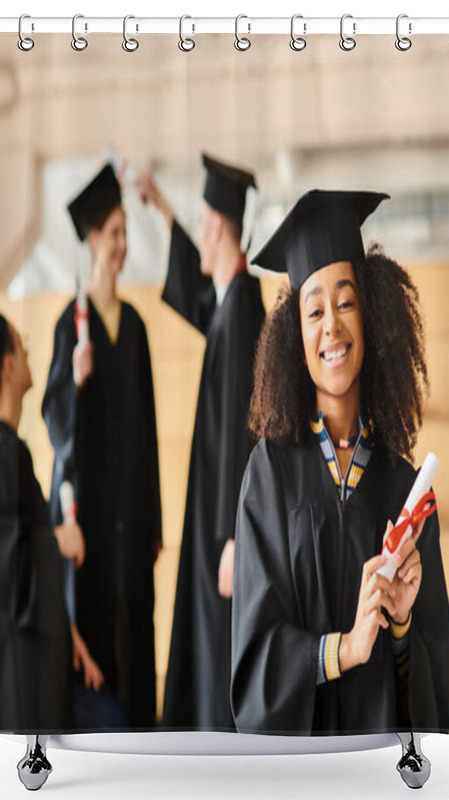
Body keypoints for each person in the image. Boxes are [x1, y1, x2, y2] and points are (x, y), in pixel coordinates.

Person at [231, 190, 449, 735]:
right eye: (314, 311)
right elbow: (254, 668)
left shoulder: (405, 488)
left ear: (371, 315)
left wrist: (399, 624)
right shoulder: (271, 474)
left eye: (346, 302)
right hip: (300, 779)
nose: (331, 326)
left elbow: (432, 701)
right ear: (295, 336)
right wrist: (346, 649)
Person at [136, 154, 266, 730]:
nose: (197, 228)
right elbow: (197, 296)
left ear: (215, 225)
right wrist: (164, 210)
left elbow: (245, 435)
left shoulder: (242, 312)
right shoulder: (229, 304)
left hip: (224, 536)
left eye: (197, 218)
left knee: (216, 666)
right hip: (214, 531)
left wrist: (236, 538)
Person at [42, 164, 162, 729]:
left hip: (133, 518)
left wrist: (155, 521)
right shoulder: (73, 324)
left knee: (138, 629)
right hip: (91, 520)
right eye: (113, 233)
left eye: (123, 233)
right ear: (92, 239)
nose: (121, 244)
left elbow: (150, 429)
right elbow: (54, 425)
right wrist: (72, 375)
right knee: (94, 623)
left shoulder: (134, 327)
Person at [0, 275, 82, 732]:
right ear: (9, 367)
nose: (31, 353)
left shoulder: (8, 449)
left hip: (25, 661)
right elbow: (8, 568)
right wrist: (60, 539)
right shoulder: (1, 455)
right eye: (23, 345)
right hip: (16, 673)